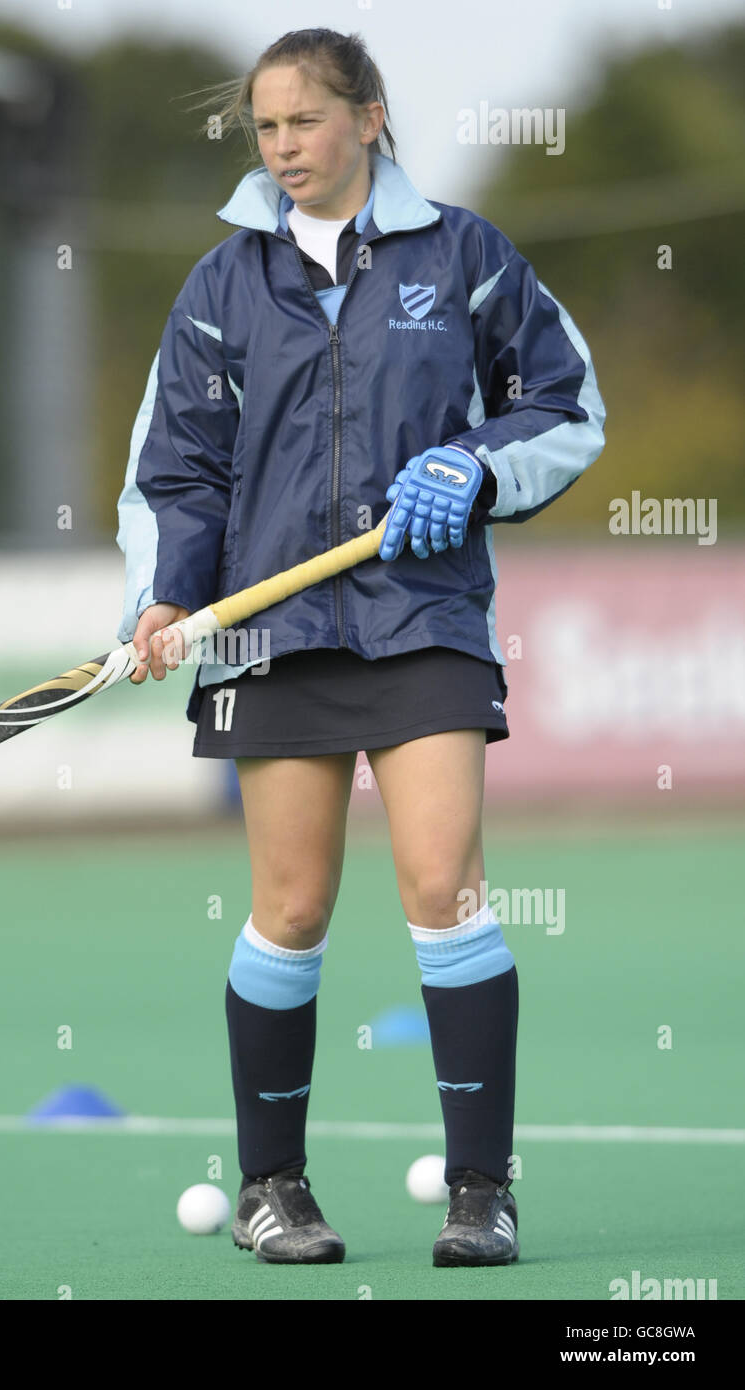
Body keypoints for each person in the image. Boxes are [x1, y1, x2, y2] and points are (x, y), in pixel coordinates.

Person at [115, 27, 604, 1267]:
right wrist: (166, 597)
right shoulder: (223, 285)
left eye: (304, 123)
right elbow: (177, 468)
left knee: (442, 887)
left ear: (369, 119)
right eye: (265, 129)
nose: (282, 149)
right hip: (274, 627)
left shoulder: (463, 252)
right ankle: (271, 1187)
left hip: (423, 616)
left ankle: (479, 1192)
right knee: (289, 906)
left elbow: (564, 403)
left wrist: (476, 464)